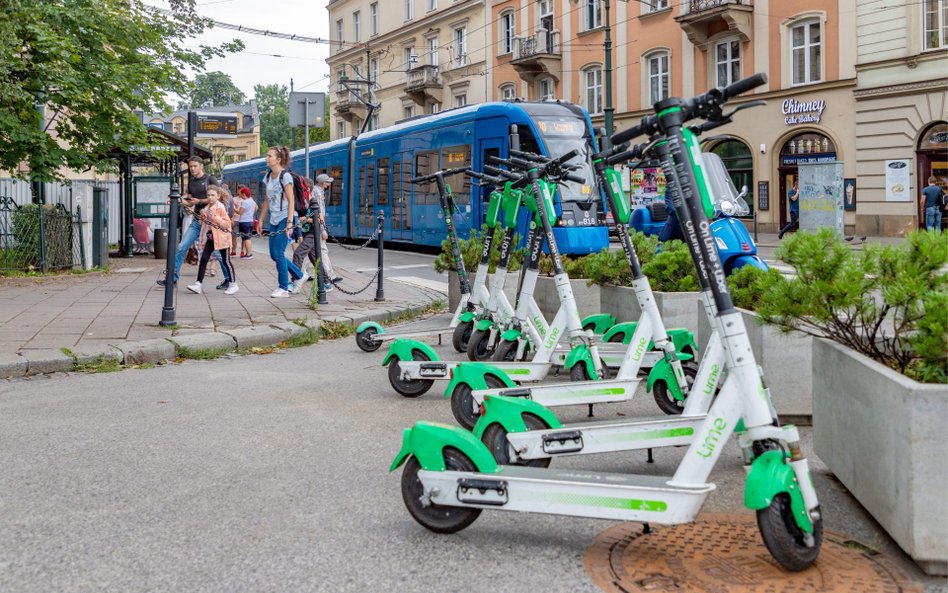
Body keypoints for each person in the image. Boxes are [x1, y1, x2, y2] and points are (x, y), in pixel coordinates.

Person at [157, 156, 218, 286]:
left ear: (201, 166)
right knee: (181, 247)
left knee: (219, 251)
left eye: (195, 166)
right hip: (197, 221)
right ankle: (172, 279)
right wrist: (176, 200)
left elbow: (218, 198)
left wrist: (200, 201)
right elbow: (189, 203)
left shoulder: (210, 179)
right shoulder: (191, 182)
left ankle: (229, 281)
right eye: (190, 166)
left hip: (212, 221)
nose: (193, 169)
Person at [257, 146, 307, 298]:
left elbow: (291, 201)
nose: (266, 158)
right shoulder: (267, 176)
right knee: (273, 254)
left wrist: (290, 223)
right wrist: (260, 220)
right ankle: (299, 274)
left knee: (278, 253)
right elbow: (267, 200)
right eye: (267, 155)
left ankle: (283, 287)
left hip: (286, 217)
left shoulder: (285, 176)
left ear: (278, 159)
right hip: (274, 218)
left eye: (269, 156)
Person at [187, 185, 238, 295]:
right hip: (211, 238)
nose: (210, 197)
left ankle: (233, 284)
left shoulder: (220, 207)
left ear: (218, 196)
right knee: (204, 259)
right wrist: (203, 217)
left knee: (226, 261)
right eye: (208, 195)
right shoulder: (207, 207)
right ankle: (198, 284)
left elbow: (226, 224)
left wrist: (215, 217)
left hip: (222, 238)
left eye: (213, 195)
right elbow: (203, 224)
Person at [293, 174, 340, 292]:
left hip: (312, 232)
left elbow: (319, 220)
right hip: (306, 233)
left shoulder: (313, 202)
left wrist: (305, 219)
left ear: (306, 189)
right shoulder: (303, 202)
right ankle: (326, 282)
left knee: (298, 254)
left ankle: (295, 281)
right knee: (315, 258)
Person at [237, 186, 257, 258]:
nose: (240, 196)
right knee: (247, 238)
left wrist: (234, 208)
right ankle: (248, 253)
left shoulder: (244, 202)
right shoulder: (252, 201)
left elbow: (240, 212)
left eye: (241, 194)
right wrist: (250, 213)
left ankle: (249, 254)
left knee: (246, 238)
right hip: (250, 221)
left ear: (244, 194)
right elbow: (256, 208)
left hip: (244, 221)